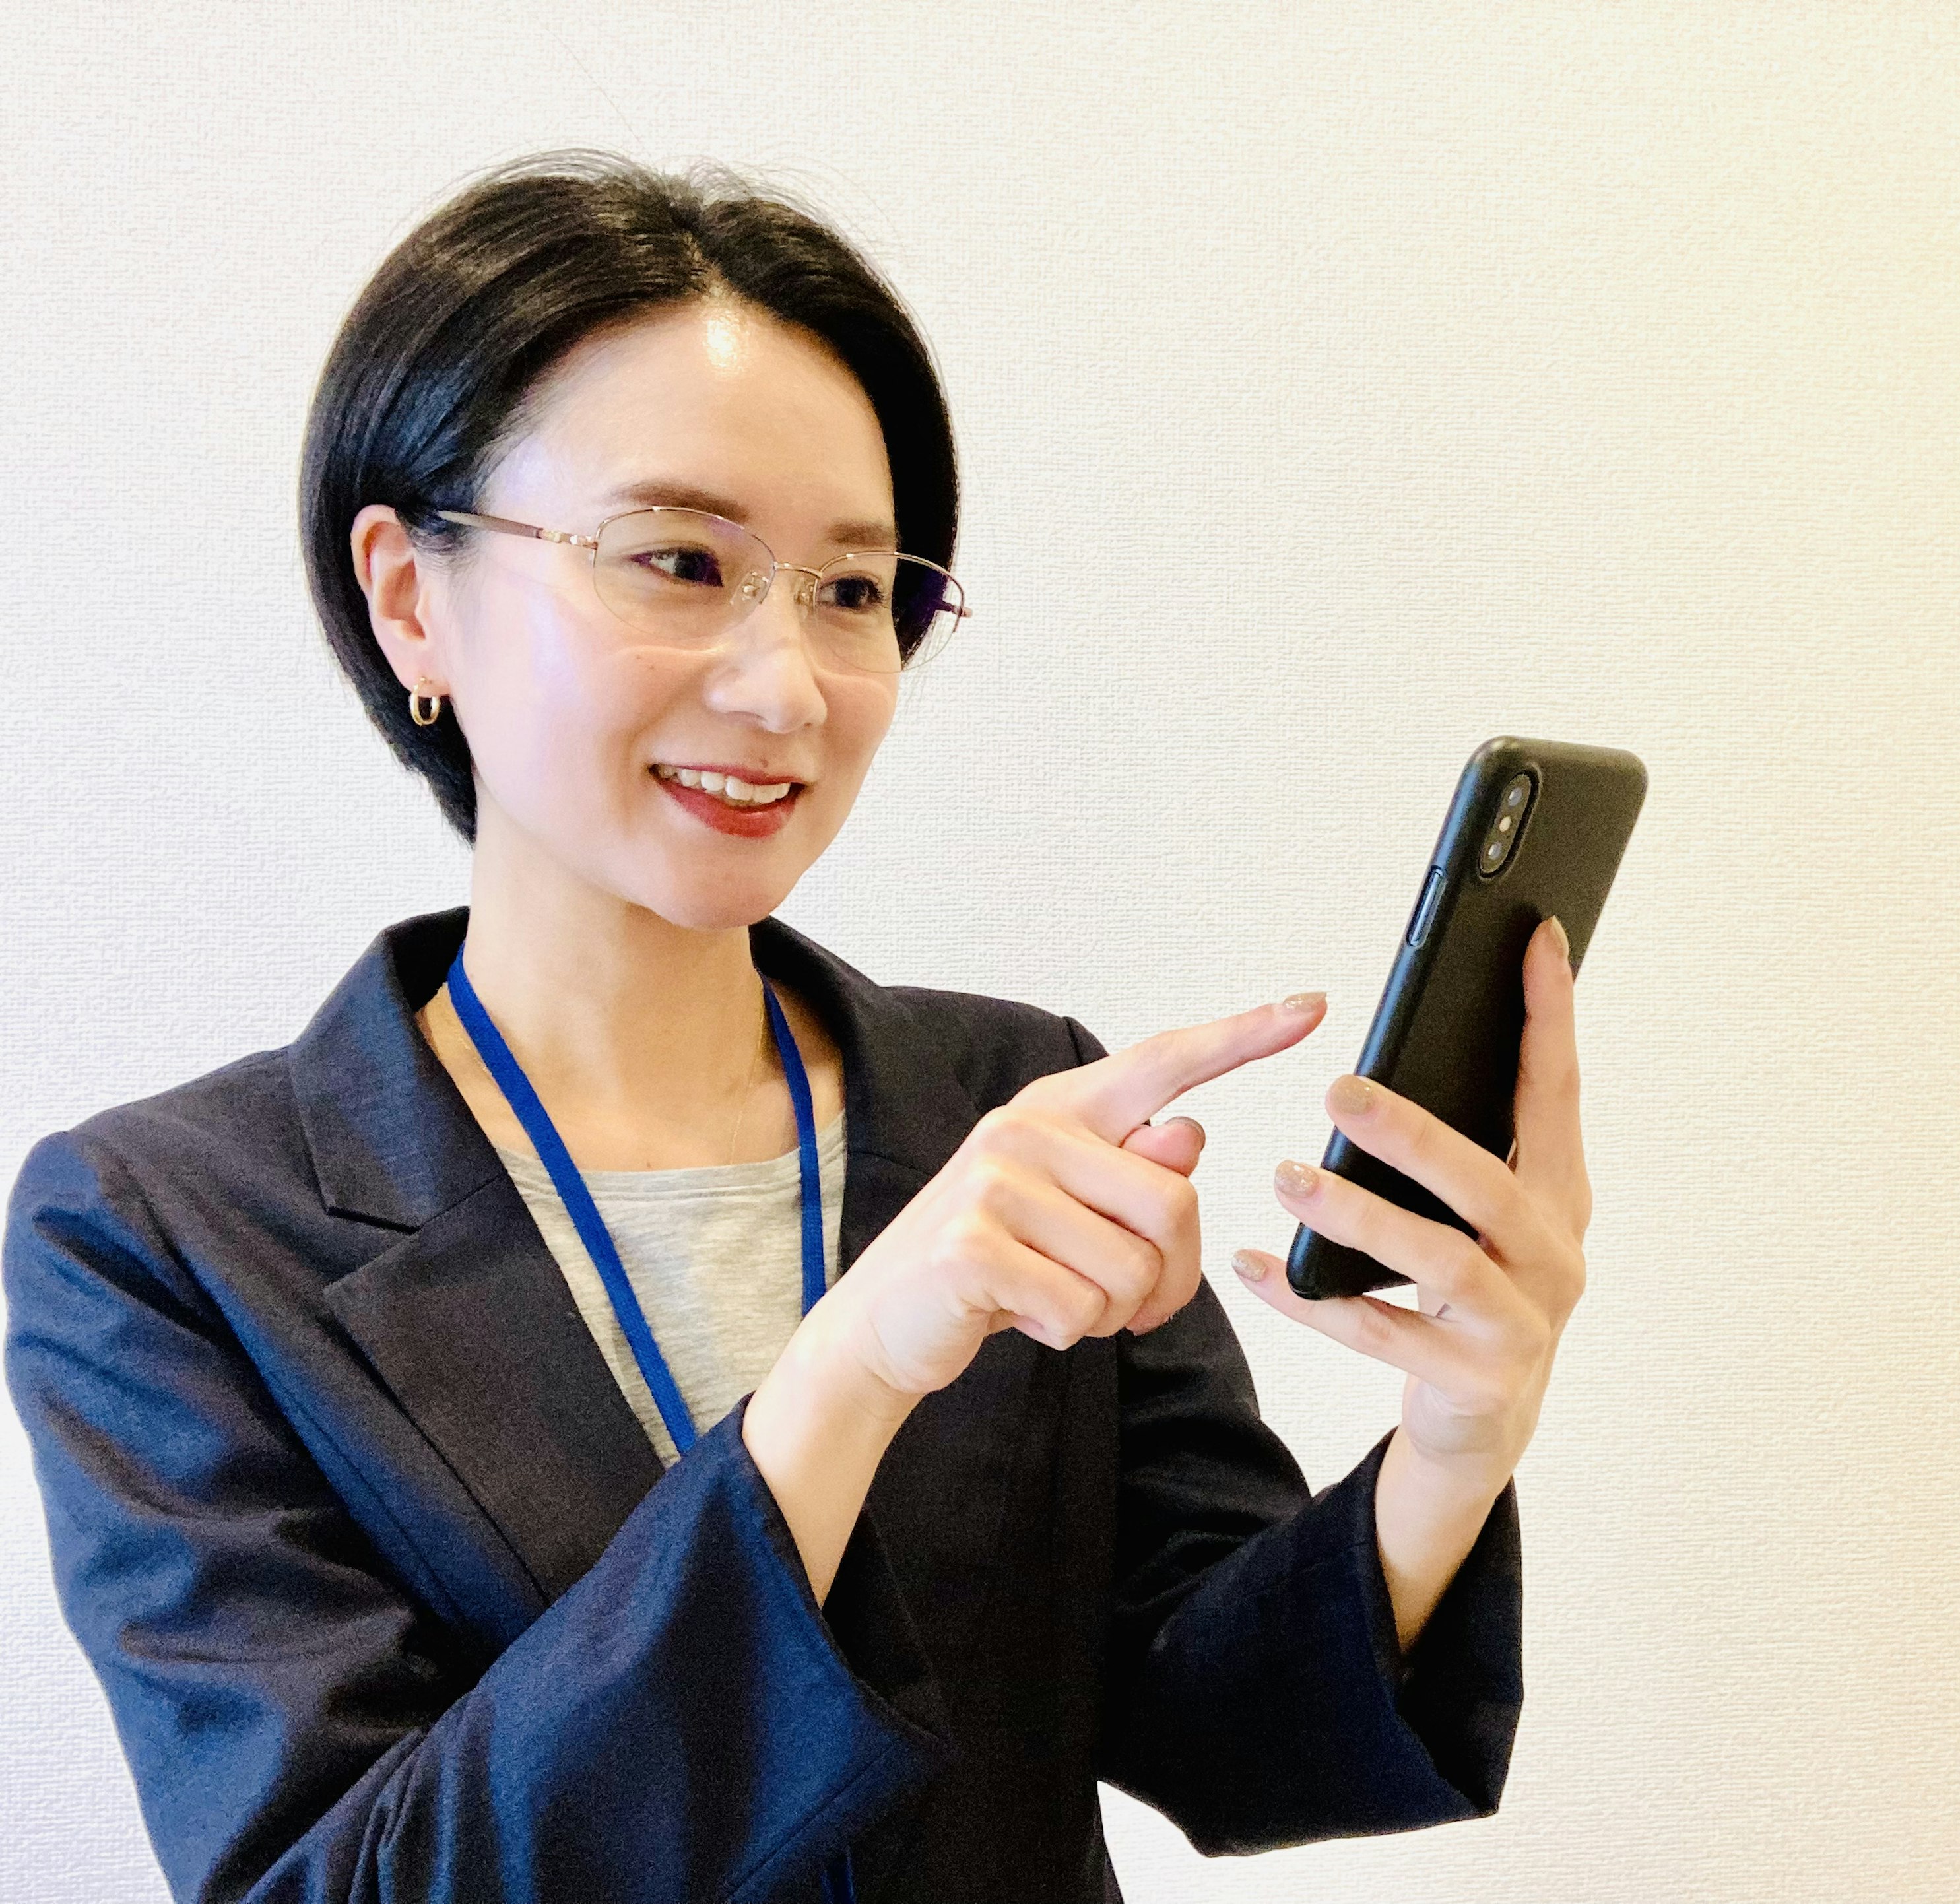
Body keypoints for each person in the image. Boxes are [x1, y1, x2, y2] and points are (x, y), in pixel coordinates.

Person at [1, 152, 1595, 1904]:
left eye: (853, 591)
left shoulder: (1011, 1100)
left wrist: (1454, 1448)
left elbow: (1220, 1729)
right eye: (680, 559)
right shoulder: (166, 1233)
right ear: (408, 597)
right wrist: (846, 1372)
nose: (785, 687)